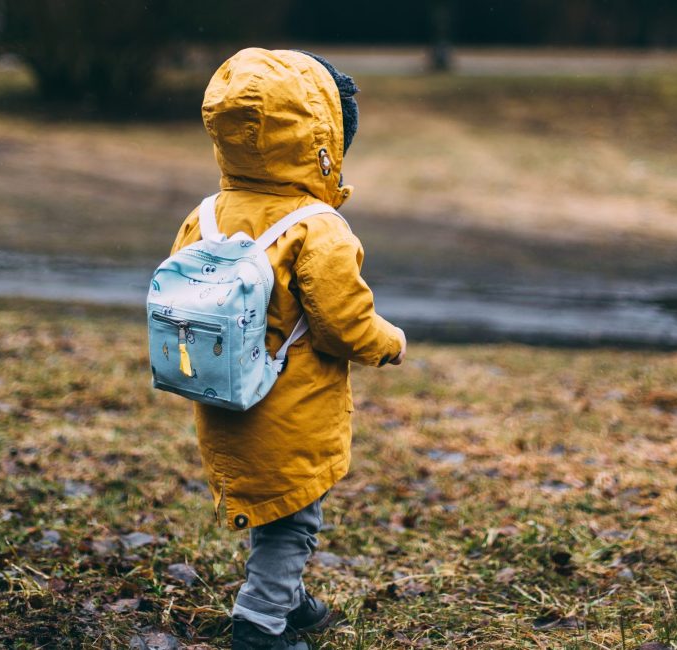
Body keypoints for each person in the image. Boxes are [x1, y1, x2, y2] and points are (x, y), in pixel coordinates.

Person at [170, 47, 407, 650]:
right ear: (322, 139)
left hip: (222, 398)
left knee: (275, 511)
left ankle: (290, 599)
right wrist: (389, 342)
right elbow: (343, 323)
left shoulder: (207, 215)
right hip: (291, 409)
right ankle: (261, 622)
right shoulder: (315, 226)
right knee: (293, 522)